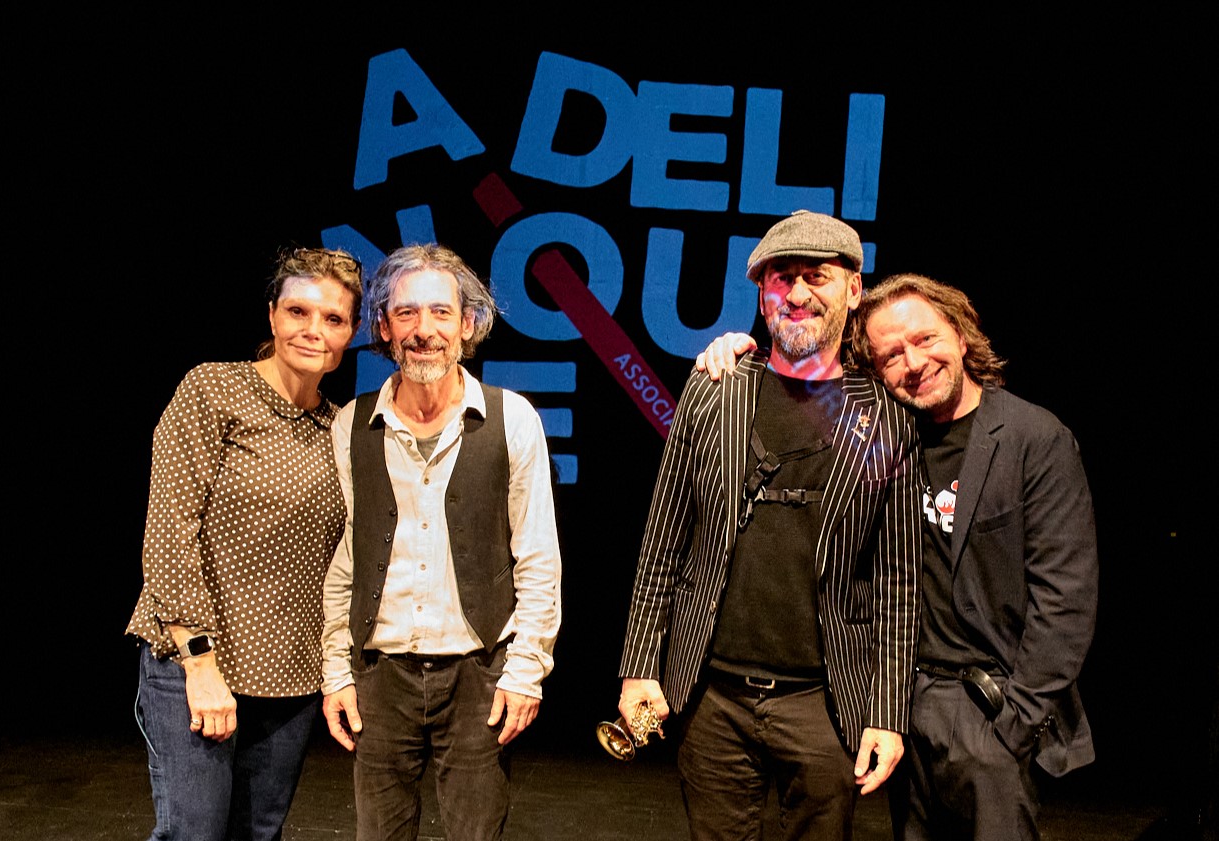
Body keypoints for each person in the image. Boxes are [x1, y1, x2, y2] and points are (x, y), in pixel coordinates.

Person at [700, 273, 1098, 840]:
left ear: (961, 333)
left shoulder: (1033, 438)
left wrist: (1013, 725)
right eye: (890, 356)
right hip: (901, 703)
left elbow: (1066, 599)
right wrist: (737, 351)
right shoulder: (882, 435)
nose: (914, 362)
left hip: (991, 706)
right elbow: (807, 362)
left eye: (926, 339)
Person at [617, 210, 922, 841]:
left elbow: (898, 580)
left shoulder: (888, 417)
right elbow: (663, 540)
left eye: (816, 276)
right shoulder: (713, 388)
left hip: (827, 706)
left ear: (854, 289)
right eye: (782, 278)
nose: (798, 293)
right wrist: (640, 665)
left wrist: (888, 712)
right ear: (761, 294)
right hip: (711, 700)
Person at [320, 243, 561, 841]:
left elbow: (537, 558)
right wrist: (337, 672)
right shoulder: (352, 424)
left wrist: (525, 671)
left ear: (468, 324)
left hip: (479, 675)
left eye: (440, 312)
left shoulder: (512, 419)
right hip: (381, 676)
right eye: (406, 313)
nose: (423, 330)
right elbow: (345, 560)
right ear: (383, 327)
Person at [126, 247, 364, 841]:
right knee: (194, 833)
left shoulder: (340, 428)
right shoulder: (214, 390)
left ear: (353, 332)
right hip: (196, 664)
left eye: (333, 318)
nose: (313, 329)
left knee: (258, 835)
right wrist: (200, 665)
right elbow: (169, 533)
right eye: (298, 311)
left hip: (291, 678)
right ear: (272, 315)